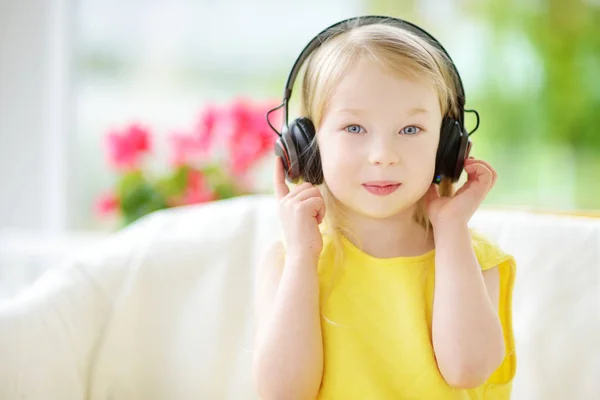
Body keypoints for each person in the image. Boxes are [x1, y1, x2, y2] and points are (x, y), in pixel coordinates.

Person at [252, 15, 517, 399]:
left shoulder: (474, 260)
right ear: (306, 147)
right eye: (354, 128)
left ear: (448, 147)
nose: (383, 155)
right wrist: (301, 260)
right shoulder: (290, 261)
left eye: (410, 130)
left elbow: (468, 369)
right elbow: (282, 394)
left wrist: (451, 229)